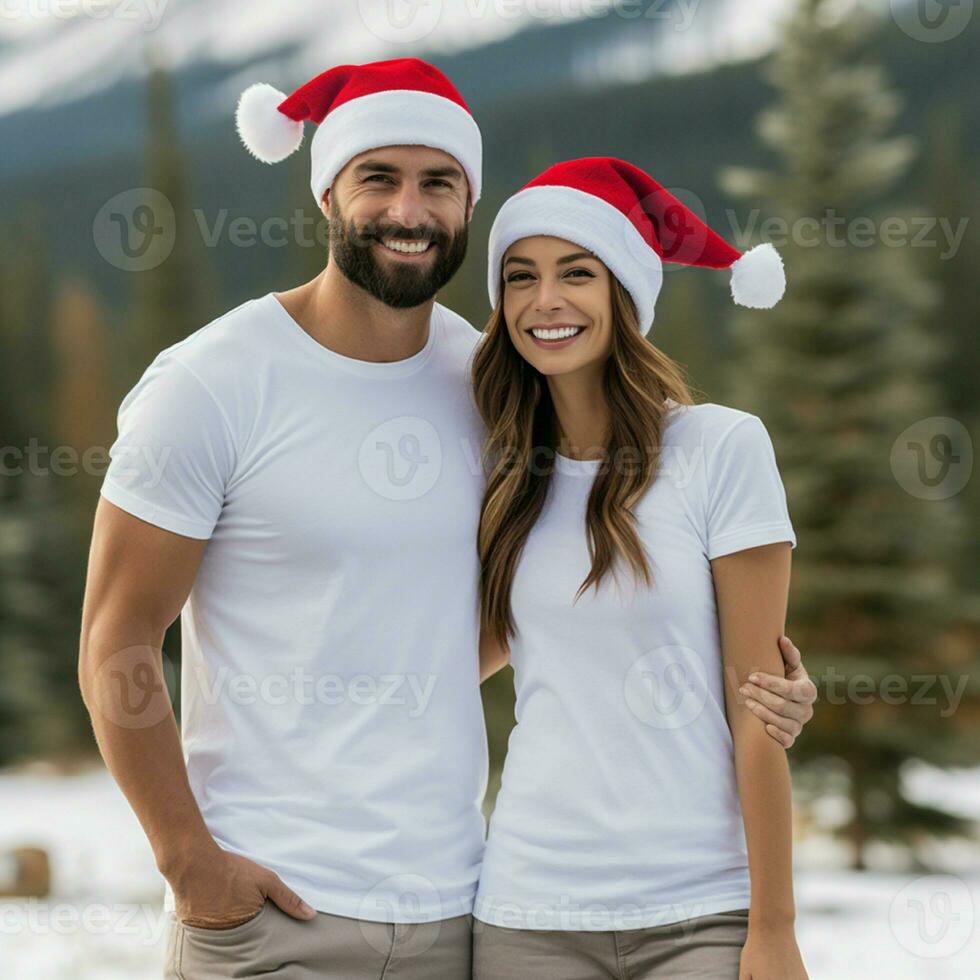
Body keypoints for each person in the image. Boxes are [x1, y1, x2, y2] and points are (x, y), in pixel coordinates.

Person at [77, 59, 815, 979]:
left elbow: (541, 589)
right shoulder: (210, 384)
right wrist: (190, 865)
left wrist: (751, 681)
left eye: (439, 183)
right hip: (268, 913)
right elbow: (116, 637)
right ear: (327, 193)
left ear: (468, 205)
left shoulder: (491, 388)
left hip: (459, 910)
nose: (409, 209)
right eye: (377, 177)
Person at [470, 157, 810, 979]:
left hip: (700, 908)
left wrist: (774, 927)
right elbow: (452, 661)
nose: (544, 300)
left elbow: (758, 710)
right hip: (528, 910)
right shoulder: (504, 473)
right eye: (521, 277)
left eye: (576, 273)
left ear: (623, 293)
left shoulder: (722, 449)